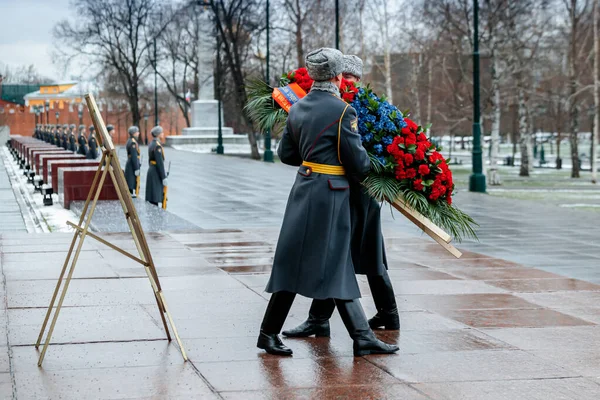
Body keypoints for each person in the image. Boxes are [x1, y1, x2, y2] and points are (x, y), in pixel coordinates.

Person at [257, 47, 399, 357]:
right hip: (331, 194)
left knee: (291, 263)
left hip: (303, 189)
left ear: (312, 76)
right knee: (335, 266)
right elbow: (358, 164)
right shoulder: (342, 111)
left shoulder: (296, 109)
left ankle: (268, 333)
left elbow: (287, 155)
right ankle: (362, 338)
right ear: (337, 76)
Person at [145, 126, 167, 206]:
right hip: (156, 171)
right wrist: (163, 177)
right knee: (155, 195)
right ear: (158, 134)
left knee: (152, 195)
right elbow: (160, 163)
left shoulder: (152, 143)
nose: (163, 134)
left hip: (152, 169)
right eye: (162, 132)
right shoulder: (157, 145)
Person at [125, 126, 141, 197]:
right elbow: (134, 156)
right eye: (137, 132)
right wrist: (136, 168)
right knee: (131, 179)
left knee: (131, 178)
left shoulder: (131, 140)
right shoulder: (133, 143)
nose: (138, 133)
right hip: (131, 164)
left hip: (130, 162)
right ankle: (130, 193)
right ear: (134, 133)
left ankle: (131, 192)